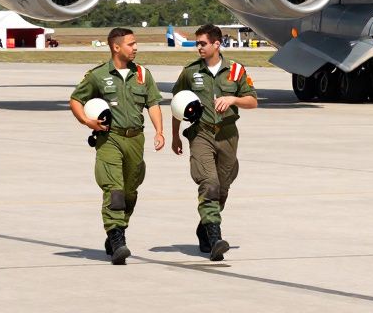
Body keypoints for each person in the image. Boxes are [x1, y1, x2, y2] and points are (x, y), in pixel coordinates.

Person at [69, 27, 165, 264]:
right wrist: (86, 120)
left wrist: (160, 131)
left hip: (136, 139)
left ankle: (115, 233)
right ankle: (117, 238)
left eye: (135, 44)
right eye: (131, 44)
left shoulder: (143, 74)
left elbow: (153, 103)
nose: (135, 48)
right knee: (115, 190)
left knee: (131, 191)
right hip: (109, 138)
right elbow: (76, 99)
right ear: (116, 47)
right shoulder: (98, 75)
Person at [172, 23, 258, 261]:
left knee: (222, 188)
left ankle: (204, 228)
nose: (198, 47)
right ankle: (215, 238)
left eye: (202, 43)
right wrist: (174, 135)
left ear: (216, 44)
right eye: (197, 43)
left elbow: (253, 101)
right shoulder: (190, 72)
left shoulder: (236, 71)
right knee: (209, 184)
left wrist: (232, 99)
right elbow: (177, 104)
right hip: (201, 133)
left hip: (228, 135)